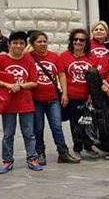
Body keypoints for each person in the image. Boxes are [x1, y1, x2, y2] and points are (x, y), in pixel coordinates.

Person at [29, 31, 79, 165]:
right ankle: (40, 153)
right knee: (38, 128)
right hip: (36, 99)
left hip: (53, 98)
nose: (42, 44)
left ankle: (63, 153)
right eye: (39, 41)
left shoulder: (54, 57)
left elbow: (61, 75)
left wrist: (64, 93)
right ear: (32, 43)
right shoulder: (28, 57)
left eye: (44, 41)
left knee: (57, 126)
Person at [0, 31, 41, 173]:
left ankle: (32, 158)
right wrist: (7, 85)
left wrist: (21, 86)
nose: (18, 45)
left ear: (25, 45)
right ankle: (7, 160)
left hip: (25, 102)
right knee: (8, 134)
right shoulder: (2, 59)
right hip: (8, 103)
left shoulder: (29, 60)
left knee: (29, 133)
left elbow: (34, 82)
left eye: (21, 43)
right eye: (15, 42)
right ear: (9, 44)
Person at [58, 29, 102, 160]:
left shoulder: (91, 58)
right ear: (72, 41)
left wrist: (91, 95)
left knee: (87, 121)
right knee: (75, 123)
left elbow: (94, 79)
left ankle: (88, 146)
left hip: (86, 96)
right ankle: (77, 147)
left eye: (82, 40)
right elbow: (62, 77)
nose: (78, 42)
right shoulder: (64, 56)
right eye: (76, 39)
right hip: (72, 96)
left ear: (86, 42)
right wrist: (64, 94)